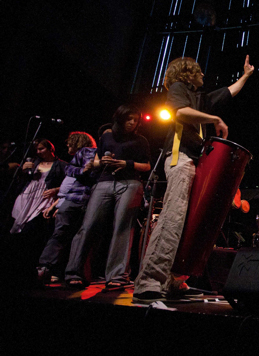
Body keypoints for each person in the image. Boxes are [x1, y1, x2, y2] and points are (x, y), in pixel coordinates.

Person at [133, 55, 254, 303]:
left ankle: (173, 281)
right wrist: (215, 119)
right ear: (188, 72)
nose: (203, 76)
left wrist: (246, 76)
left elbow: (227, 92)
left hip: (194, 161)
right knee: (173, 218)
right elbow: (179, 113)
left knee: (190, 223)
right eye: (199, 72)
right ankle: (148, 281)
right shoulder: (179, 88)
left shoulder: (199, 99)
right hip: (180, 158)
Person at [64, 105, 151, 289]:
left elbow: (147, 166)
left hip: (130, 182)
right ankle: (75, 272)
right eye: (129, 119)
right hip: (104, 181)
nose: (132, 123)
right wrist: (101, 162)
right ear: (119, 118)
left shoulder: (141, 140)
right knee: (88, 226)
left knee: (122, 228)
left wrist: (126, 163)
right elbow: (95, 160)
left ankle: (117, 276)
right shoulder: (107, 136)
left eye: (135, 120)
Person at [37, 132, 97, 283]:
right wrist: (57, 203)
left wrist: (84, 171)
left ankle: (53, 271)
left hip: (80, 200)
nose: (68, 146)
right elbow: (70, 176)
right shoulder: (78, 158)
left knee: (67, 236)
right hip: (71, 199)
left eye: (70, 143)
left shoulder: (88, 152)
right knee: (63, 235)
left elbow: (83, 176)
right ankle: (50, 270)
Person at [7, 139, 67, 278]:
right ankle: (18, 266)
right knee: (17, 231)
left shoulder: (61, 165)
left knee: (33, 230)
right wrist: (22, 170)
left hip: (43, 199)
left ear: (50, 148)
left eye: (41, 149)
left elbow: (69, 184)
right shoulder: (33, 163)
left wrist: (56, 190)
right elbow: (21, 180)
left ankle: (35, 266)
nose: (39, 152)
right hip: (26, 197)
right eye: (37, 150)